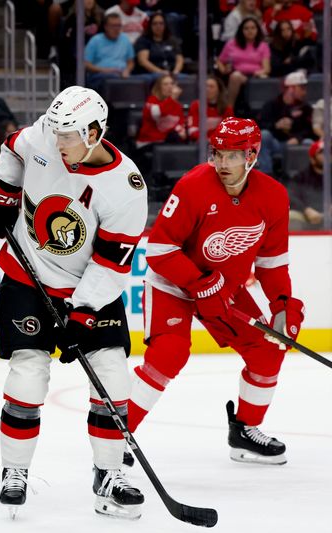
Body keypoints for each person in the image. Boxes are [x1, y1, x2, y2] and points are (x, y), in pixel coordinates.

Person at [0, 86, 148, 519]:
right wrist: (1, 190)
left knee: (112, 378)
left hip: (90, 288)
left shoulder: (125, 187)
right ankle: (14, 472)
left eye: (68, 135)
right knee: (27, 377)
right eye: (54, 133)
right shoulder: (44, 136)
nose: (57, 143)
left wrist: (83, 314)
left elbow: (110, 265)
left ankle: (109, 474)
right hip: (26, 278)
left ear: (93, 132)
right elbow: (13, 149)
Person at [127, 117, 304, 467]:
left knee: (267, 353)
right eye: (218, 154)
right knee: (170, 353)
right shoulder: (194, 185)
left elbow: (272, 264)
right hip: (175, 283)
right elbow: (160, 250)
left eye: (233, 156)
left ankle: (245, 431)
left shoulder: (272, 196)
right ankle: (116, 434)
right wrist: (199, 283)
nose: (223, 163)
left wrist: (283, 305)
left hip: (225, 288)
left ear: (252, 155)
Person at [258, 69, 315, 175]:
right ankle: (267, 175)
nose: (305, 92)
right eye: (302, 88)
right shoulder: (272, 104)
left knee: (308, 143)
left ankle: (304, 178)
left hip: (295, 144)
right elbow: (260, 124)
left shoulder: (306, 108)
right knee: (264, 135)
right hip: (276, 143)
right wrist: (276, 125)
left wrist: (298, 138)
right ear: (291, 89)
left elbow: (310, 129)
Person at [216, 17, 270, 110]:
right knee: (235, 76)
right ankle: (229, 109)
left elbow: (267, 69)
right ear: (241, 30)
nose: (250, 31)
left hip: (255, 76)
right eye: (246, 28)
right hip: (237, 74)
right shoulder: (231, 44)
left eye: (253, 28)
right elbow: (220, 61)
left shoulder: (263, 46)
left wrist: (259, 73)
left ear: (257, 30)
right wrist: (224, 70)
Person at [84, 13, 135, 93]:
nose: (116, 29)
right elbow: (86, 64)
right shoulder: (96, 40)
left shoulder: (125, 39)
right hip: (99, 76)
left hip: (122, 76)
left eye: (118, 25)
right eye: (113, 26)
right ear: (106, 27)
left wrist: (127, 70)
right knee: (112, 78)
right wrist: (104, 70)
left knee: (148, 79)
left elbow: (130, 62)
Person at [136, 74, 187, 150]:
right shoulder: (152, 101)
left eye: (172, 83)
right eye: (165, 84)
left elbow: (180, 122)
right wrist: (171, 99)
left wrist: (181, 131)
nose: (170, 86)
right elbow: (156, 114)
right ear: (159, 87)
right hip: (149, 143)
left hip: (167, 142)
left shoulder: (176, 105)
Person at [133, 11, 184, 82]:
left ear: (165, 25)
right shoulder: (143, 40)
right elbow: (143, 61)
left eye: (161, 23)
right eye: (155, 24)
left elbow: (179, 59)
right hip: (152, 73)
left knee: (188, 79)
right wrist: (160, 72)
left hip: (171, 73)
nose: (158, 26)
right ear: (150, 26)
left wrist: (176, 71)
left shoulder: (172, 40)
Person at [289, 140, 327, 228]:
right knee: (292, 217)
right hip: (305, 215)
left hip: (329, 216)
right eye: (321, 153)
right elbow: (291, 196)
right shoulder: (300, 177)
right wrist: (306, 209)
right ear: (312, 159)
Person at [187, 76, 234, 141]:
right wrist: (206, 140)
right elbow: (192, 129)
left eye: (211, 86)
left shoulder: (227, 109)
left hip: (219, 145)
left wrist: (215, 141)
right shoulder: (196, 105)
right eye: (206, 86)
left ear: (219, 90)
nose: (207, 89)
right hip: (200, 144)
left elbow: (229, 131)